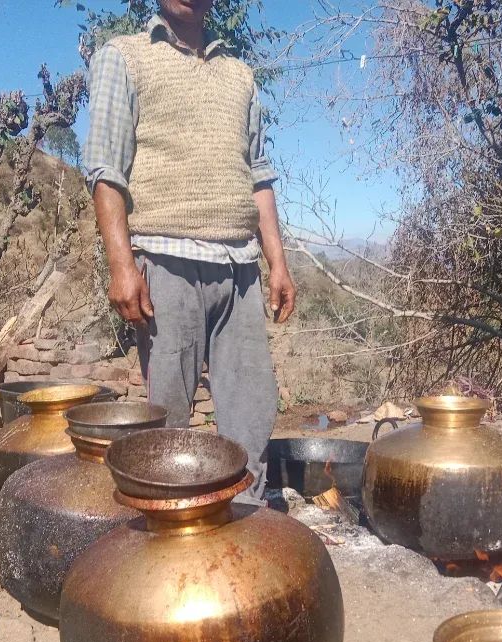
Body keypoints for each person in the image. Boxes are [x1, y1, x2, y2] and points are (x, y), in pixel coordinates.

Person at [83, 0, 295, 503]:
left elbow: (259, 175)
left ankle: (244, 522)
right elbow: (104, 169)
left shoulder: (239, 74)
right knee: (167, 417)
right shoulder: (124, 56)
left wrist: (278, 262)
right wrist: (121, 265)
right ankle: (164, 529)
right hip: (165, 260)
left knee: (252, 409)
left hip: (240, 267)